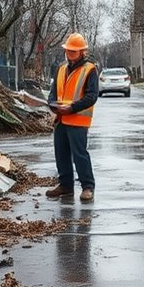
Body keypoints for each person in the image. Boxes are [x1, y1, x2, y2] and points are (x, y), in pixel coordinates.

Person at [46, 32, 98, 202]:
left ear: (82, 52)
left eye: (74, 51)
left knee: (79, 155)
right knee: (61, 154)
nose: (70, 54)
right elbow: (53, 93)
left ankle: (87, 187)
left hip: (78, 120)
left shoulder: (89, 69)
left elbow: (92, 96)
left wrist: (73, 107)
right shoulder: (61, 69)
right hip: (61, 119)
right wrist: (52, 104)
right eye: (68, 51)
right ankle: (66, 186)